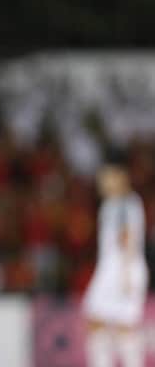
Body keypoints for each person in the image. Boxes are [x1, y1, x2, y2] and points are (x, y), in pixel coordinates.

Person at [83, 151, 149, 367]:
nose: (102, 181)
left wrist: (127, 274)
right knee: (96, 321)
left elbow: (128, 239)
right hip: (110, 269)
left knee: (124, 327)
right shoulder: (110, 204)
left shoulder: (126, 204)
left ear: (121, 176)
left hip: (121, 270)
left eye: (107, 176)